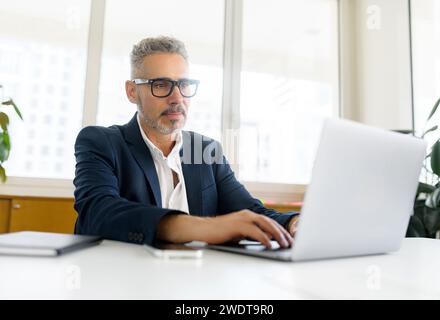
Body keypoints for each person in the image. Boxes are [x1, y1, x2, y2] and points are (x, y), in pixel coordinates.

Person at [74, 36, 299, 249]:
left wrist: (292, 223)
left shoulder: (205, 150)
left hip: (196, 280)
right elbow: (97, 212)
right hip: (123, 280)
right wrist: (202, 228)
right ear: (132, 91)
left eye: (184, 84)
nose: (177, 98)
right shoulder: (101, 142)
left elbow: (249, 210)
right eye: (161, 85)